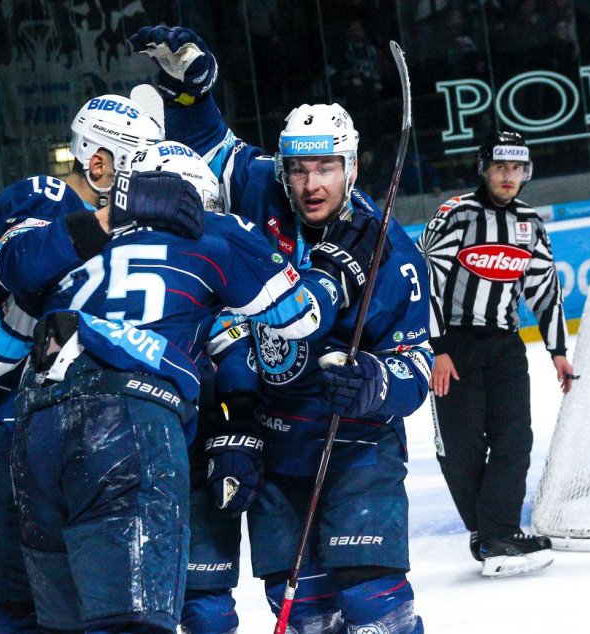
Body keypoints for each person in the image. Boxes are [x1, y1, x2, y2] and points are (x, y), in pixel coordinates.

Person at [0, 140, 385, 633]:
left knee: (60, 627)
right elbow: (300, 317)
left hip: (36, 429)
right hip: (130, 426)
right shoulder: (216, 234)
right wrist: (335, 268)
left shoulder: (74, 243)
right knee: (130, 623)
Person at [132, 25, 433, 634]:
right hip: (272, 449)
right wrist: (191, 93)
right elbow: (206, 146)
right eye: (298, 169)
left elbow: (417, 363)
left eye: (326, 168)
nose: (311, 184)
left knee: (374, 601)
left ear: (351, 167)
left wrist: (375, 382)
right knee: (305, 613)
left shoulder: (391, 251)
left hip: (356, 446)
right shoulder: (262, 188)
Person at [0, 94, 164, 632]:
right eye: (138, 164)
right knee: (20, 611)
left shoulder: (123, 228)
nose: (150, 180)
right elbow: (22, 265)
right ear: (98, 163)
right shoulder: (43, 195)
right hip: (2, 438)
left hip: (52, 442)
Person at [417, 130, 574, 578]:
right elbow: (426, 280)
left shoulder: (530, 222)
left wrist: (558, 350)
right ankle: (487, 532)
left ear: (526, 173)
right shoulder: (456, 214)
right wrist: (437, 348)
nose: (508, 176)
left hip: (505, 344)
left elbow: (545, 289)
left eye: (516, 168)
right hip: (455, 345)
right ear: (483, 169)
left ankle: (498, 533)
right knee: (461, 446)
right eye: (501, 167)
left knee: (514, 439)